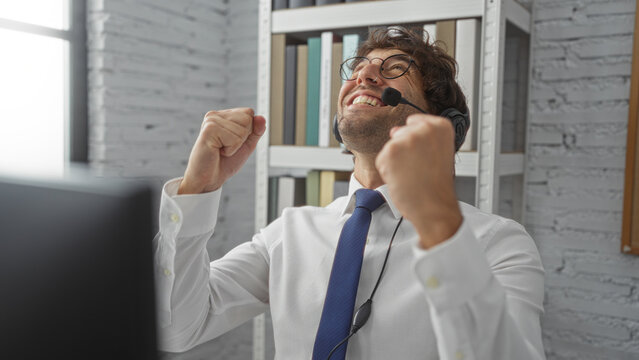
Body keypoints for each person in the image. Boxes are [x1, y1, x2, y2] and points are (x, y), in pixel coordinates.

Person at [153, 27, 545, 359]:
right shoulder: (289, 232)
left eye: (394, 69)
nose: (365, 74)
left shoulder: (497, 244)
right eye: (357, 68)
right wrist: (198, 189)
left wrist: (439, 224)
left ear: (442, 125)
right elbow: (176, 328)